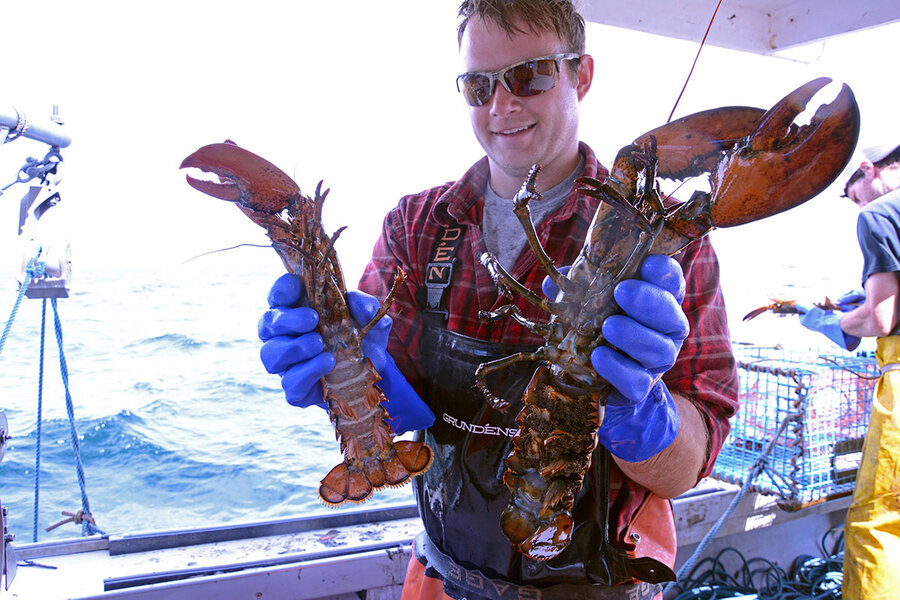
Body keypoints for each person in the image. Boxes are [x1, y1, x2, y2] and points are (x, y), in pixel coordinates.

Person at [257, 2, 738, 598]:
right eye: (477, 85)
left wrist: (643, 415)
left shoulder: (669, 246)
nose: (500, 105)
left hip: (595, 582)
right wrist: (348, 369)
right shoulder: (415, 225)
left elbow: (688, 466)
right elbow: (398, 411)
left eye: (529, 75)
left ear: (581, 75)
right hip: (445, 571)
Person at [797, 142, 900, 599]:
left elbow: (881, 318)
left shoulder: (878, 214)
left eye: (854, 195)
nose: (857, 205)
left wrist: (835, 321)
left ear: (867, 169)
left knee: (875, 519)